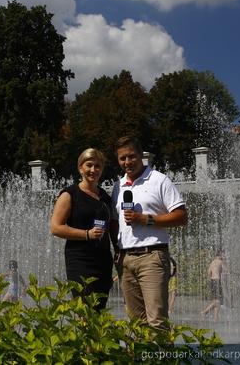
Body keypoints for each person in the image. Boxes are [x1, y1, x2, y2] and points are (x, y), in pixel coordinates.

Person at [112, 136, 188, 330]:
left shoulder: (159, 180)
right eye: (122, 158)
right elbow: (116, 222)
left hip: (152, 256)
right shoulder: (118, 186)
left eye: (131, 157)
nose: (127, 162)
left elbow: (181, 216)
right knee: (136, 323)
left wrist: (147, 219)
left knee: (157, 320)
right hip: (126, 260)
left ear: (141, 156)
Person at [50, 148, 116, 311]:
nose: (93, 170)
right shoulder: (70, 194)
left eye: (97, 166)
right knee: (85, 311)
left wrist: (119, 253)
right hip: (80, 261)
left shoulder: (105, 197)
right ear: (80, 167)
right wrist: (86, 234)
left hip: (103, 261)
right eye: (89, 165)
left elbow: (112, 228)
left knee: (98, 310)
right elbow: (56, 228)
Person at [201, 252, 224, 321]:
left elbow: (208, 272)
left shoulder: (212, 262)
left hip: (212, 281)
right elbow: (225, 270)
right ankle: (205, 311)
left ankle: (216, 318)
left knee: (215, 300)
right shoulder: (221, 261)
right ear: (220, 255)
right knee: (218, 301)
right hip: (217, 281)